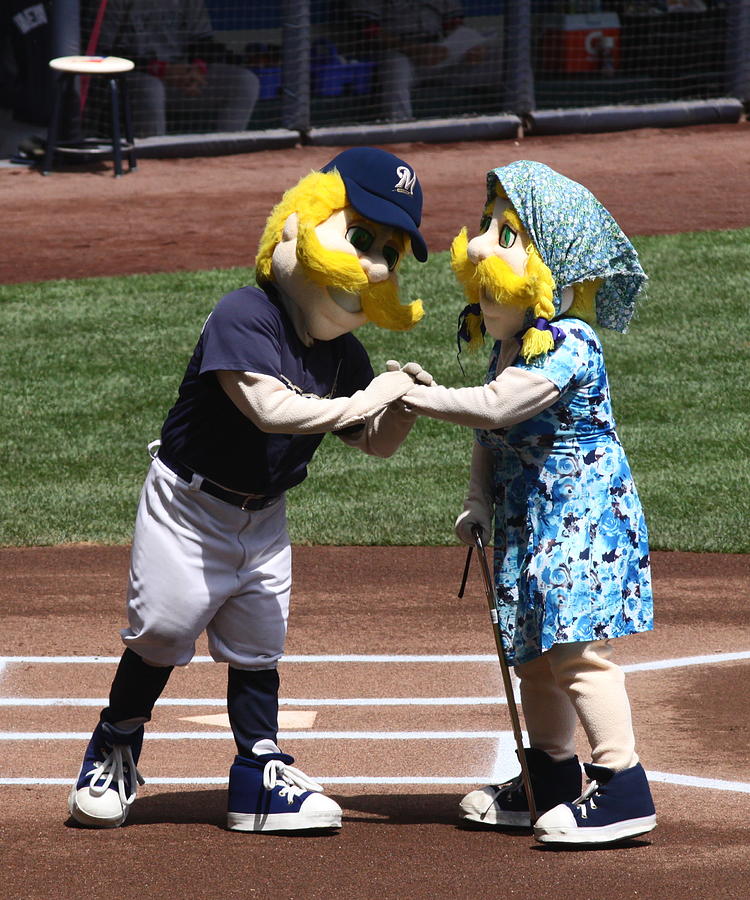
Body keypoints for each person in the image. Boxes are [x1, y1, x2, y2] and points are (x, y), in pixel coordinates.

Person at [67, 146, 432, 833]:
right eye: (361, 239)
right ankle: (114, 743)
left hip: (264, 515)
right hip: (189, 506)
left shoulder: (342, 354)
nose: (374, 265)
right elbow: (271, 409)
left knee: (259, 646)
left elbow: (373, 443)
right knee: (162, 633)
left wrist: (403, 406)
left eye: (387, 250)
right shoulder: (244, 314)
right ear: (300, 226)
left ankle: (258, 771)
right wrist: (372, 396)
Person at [402, 160, 656, 846]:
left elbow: (495, 406)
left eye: (504, 237)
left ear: (549, 274)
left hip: (581, 519)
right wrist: (477, 500)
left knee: (577, 653)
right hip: (531, 518)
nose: (482, 251)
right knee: (536, 654)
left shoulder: (568, 343)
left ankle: (621, 784)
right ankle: (548, 777)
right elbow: (491, 434)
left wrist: (408, 397)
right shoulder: (509, 347)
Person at [88, 0, 259, 136]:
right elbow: (103, 52)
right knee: (152, 88)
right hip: (132, 81)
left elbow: (202, 41)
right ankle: (154, 159)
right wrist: (159, 69)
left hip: (181, 80)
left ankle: (226, 153)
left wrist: (197, 69)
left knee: (244, 82)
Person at [338, 0, 500, 121]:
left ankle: (513, 117)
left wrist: (475, 46)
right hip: (400, 53)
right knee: (395, 67)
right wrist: (415, 50)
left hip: (439, 53)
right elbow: (369, 31)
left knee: (500, 58)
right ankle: (401, 128)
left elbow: (455, 25)